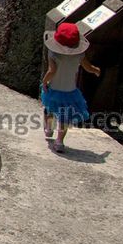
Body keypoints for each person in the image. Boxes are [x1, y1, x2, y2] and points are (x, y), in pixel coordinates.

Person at [41, 22, 100, 152]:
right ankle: (59, 142)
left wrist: (45, 82)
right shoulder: (79, 54)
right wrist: (95, 70)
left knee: (49, 109)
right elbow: (88, 67)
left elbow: (51, 71)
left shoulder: (53, 53)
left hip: (54, 88)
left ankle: (48, 129)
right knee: (65, 117)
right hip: (70, 91)